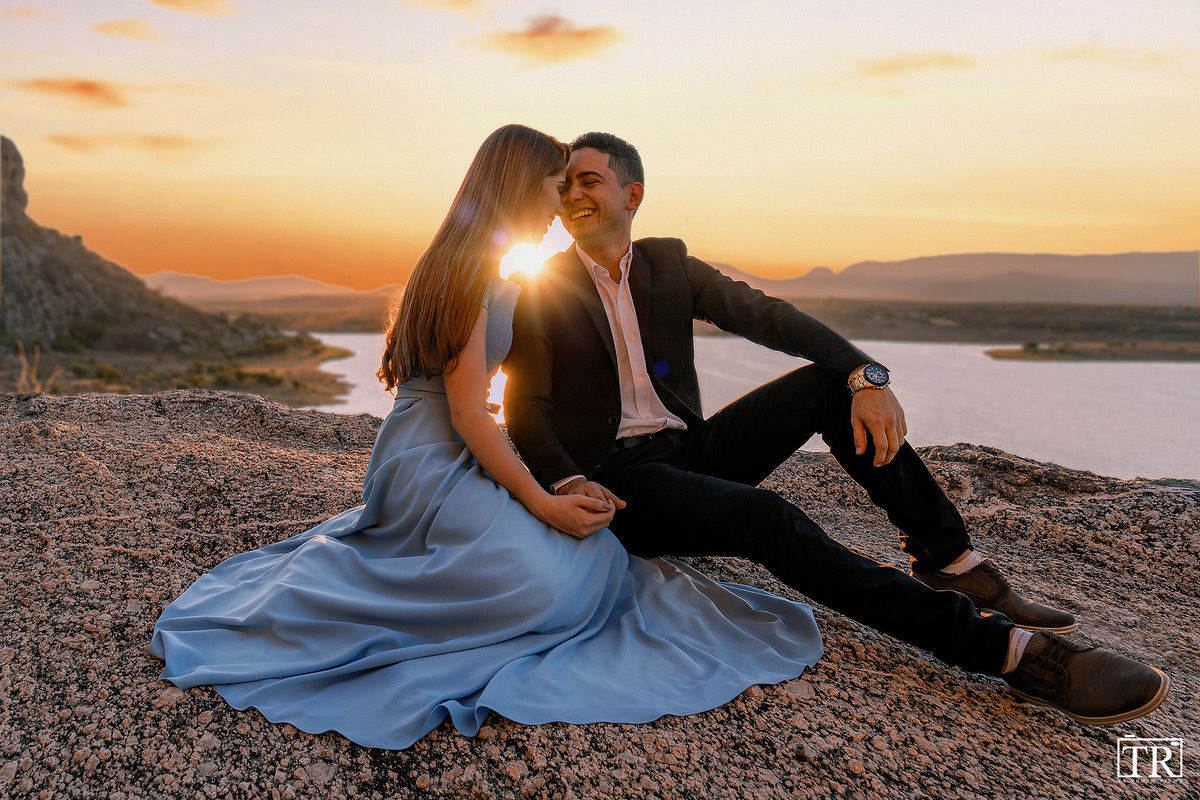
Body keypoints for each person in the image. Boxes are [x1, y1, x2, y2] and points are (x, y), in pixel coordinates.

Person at [149, 124, 828, 750]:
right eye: (553, 187)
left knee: (591, 563)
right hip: (430, 459)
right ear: (517, 187)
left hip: (444, 451)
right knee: (549, 583)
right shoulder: (471, 273)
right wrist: (544, 500)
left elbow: (510, 404)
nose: (561, 202)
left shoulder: (479, 266)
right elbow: (474, 415)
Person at [502, 131, 1170, 726]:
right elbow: (525, 407)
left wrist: (863, 376)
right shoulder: (544, 286)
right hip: (620, 484)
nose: (572, 195)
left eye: (588, 180)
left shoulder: (667, 264)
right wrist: (565, 480)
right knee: (767, 517)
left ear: (632, 193)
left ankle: (948, 559)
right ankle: (1007, 652)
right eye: (565, 186)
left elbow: (768, 315)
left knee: (825, 385)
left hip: (688, 454)